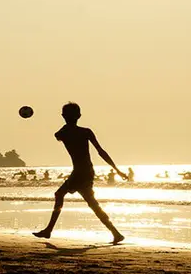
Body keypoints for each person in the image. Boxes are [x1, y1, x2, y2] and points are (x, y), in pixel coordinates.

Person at [33, 103, 127, 244]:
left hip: (80, 172)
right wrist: (117, 170)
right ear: (79, 116)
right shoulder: (86, 132)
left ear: (63, 116)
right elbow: (101, 152)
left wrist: (117, 170)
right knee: (91, 202)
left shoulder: (62, 133)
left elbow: (59, 135)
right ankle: (115, 233)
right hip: (87, 170)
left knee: (62, 195)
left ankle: (48, 230)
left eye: (65, 114)